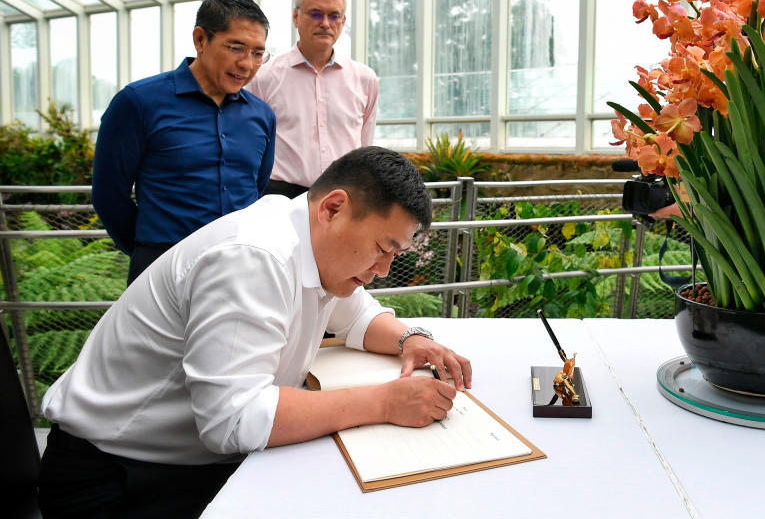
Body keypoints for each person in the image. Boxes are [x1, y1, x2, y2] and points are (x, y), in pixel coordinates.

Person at [38, 146, 471, 518]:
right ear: (333, 208)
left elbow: (358, 317)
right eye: (382, 249)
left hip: (180, 461)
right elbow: (234, 419)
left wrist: (411, 339)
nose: (381, 271)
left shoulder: (312, 240)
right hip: (118, 478)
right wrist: (383, 401)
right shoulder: (252, 256)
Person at [92, 0, 276, 284]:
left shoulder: (262, 116)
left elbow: (257, 187)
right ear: (201, 39)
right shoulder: (138, 103)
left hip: (240, 272)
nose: (247, 64)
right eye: (237, 48)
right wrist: (149, 251)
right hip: (162, 270)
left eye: (257, 53)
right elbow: (108, 195)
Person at [248, 0, 378, 199]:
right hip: (281, 197)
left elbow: (366, 145)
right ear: (296, 17)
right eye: (316, 14)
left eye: (334, 16)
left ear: (343, 21)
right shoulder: (264, 77)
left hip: (344, 196)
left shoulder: (365, 79)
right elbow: (252, 145)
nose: (325, 23)